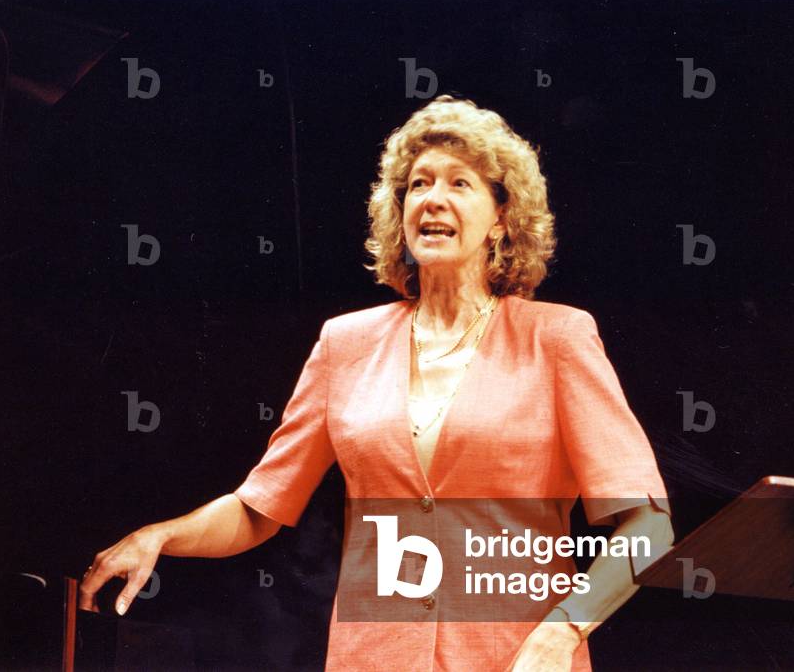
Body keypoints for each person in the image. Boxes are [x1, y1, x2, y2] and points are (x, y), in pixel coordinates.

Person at [79, 94, 674, 671]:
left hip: (517, 658)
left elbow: (649, 526)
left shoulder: (558, 338)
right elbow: (258, 509)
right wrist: (161, 537)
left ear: (501, 219)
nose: (432, 200)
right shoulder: (346, 343)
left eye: (459, 184)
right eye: (418, 184)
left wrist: (562, 634)